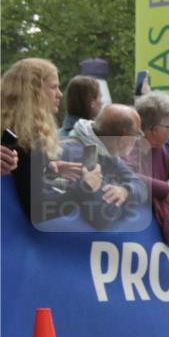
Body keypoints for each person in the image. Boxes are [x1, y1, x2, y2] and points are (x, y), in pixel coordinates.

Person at [1, 58, 102, 223]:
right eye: (54, 87)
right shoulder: (29, 138)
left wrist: (47, 170)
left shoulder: (12, 130)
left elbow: (19, 181)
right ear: (34, 92)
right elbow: (37, 211)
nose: (60, 94)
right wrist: (85, 188)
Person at [61, 104, 149, 226]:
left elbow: (141, 187)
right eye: (137, 135)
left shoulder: (107, 151)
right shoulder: (80, 154)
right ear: (124, 138)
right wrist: (126, 204)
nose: (138, 140)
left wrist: (125, 191)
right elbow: (105, 214)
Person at [132, 93, 169, 245]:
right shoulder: (128, 145)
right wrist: (165, 190)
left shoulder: (160, 148)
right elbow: (127, 176)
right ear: (154, 129)